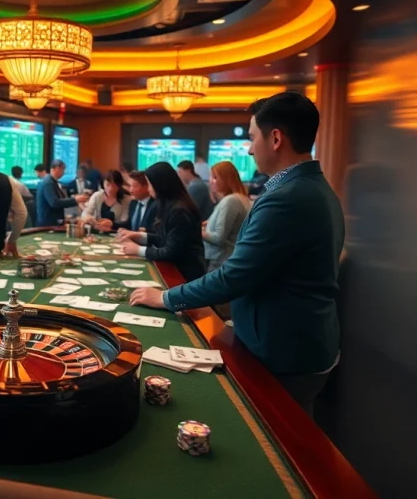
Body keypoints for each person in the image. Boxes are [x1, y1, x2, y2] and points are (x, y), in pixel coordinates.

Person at [128, 92, 344, 415]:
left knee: (280, 437)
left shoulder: (288, 197)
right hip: (302, 342)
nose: (249, 149)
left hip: (286, 351)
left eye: (252, 138)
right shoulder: (312, 187)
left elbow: (235, 276)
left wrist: (166, 297)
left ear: (275, 139)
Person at [116, 162, 205, 282]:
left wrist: (138, 250)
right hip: (175, 268)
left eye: (149, 184)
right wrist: (140, 235)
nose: (148, 189)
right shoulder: (169, 204)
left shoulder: (179, 211)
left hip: (185, 274)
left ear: (160, 184)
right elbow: (165, 237)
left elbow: (170, 251)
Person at [203, 161, 252, 271]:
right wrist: (210, 223)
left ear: (226, 179)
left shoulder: (231, 200)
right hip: (225, 260)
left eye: (215, 177)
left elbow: (218, 238)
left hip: (221, 261)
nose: (210, 181)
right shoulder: (239, 198)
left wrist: (196, 230)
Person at [36, 159, 89, 226]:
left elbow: (61, 200)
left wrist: (76, 199)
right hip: (48, 224)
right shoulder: (48, 183)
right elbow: (54, 203)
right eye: (63, 169)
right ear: (57, 168)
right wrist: (75, 200)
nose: (64, 172)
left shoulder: (52, 181)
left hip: (53, 221)